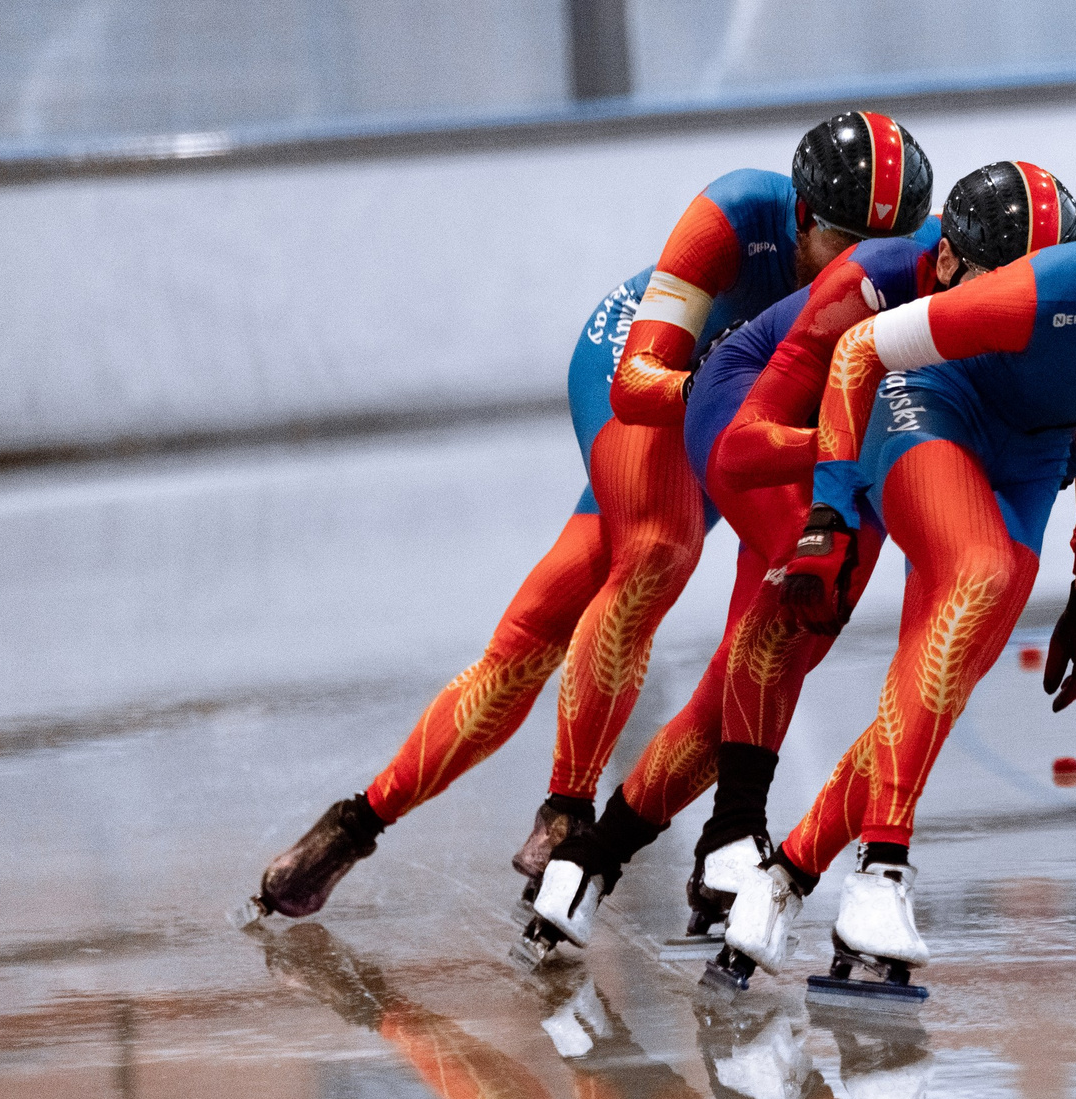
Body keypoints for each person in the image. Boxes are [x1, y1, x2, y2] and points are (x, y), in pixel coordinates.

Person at [241, 112, 935, 925]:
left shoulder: (897, 271)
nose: (868, 270)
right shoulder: (736, 212)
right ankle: (566, 808)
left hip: (738, 417)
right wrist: (724, 393)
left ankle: (357, 819)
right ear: (804, 220)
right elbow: (637, 383)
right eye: (847, 247)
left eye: (887, 247)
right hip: (648, 377)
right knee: (661, 549)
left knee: (549, 641)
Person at [720, 145, 1076, 992]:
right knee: (978, 570)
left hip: (1026, 462)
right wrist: (832, 510)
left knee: (936, 690)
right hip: (929, 405)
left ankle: (784, 879)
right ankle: (881, 873)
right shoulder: (1053, 292)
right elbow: (862, 352)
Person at [526, 163, 1076, 961]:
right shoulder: (874, 278)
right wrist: (828, 508)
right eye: (998, 294)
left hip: (871, 424)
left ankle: (588, 863)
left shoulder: (1049, 308)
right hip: (754, 411)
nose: (1010, 320)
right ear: (951, 264)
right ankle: (733, 829)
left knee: (736, 693)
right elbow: (772, 415)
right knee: (793, 615)